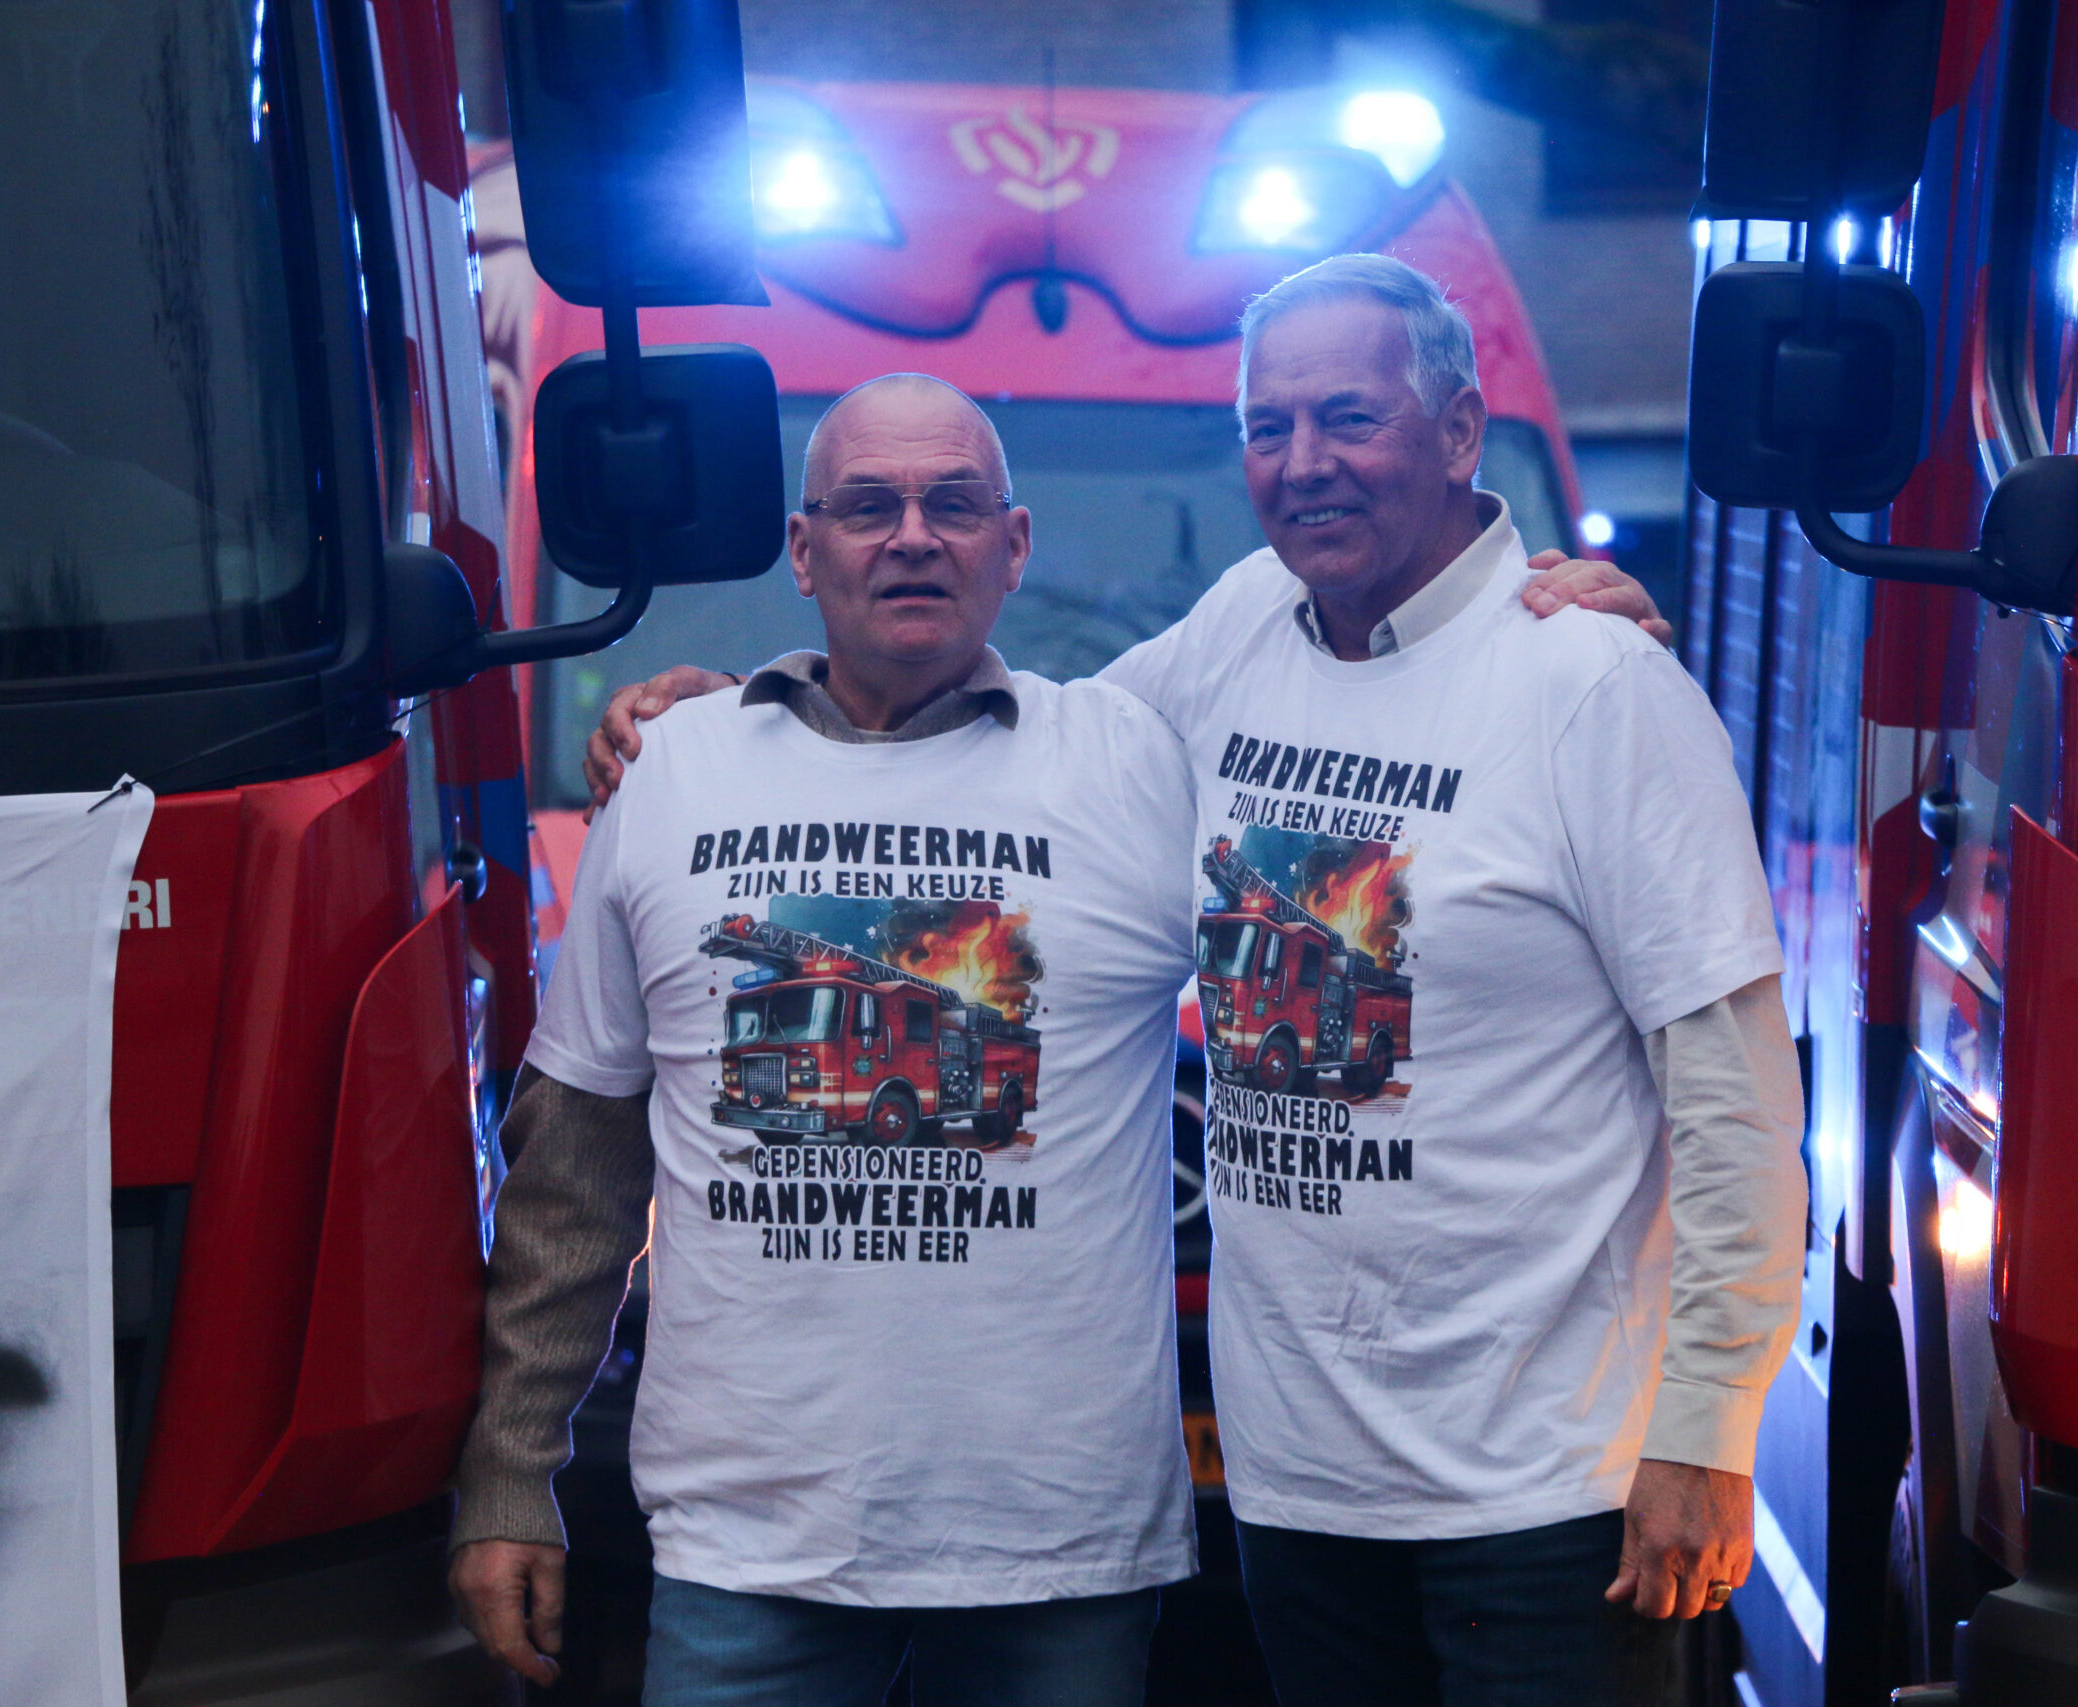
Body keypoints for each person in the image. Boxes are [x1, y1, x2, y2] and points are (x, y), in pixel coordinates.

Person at [587, 255, 1808, 1707]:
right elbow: (995, 759)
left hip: (1549, 1484)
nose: (1304, 463)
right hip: (1304, 1482)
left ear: (1461, 431)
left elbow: (1735, 1095)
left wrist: (1707, 1430)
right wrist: (746, 728)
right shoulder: (1239, 630)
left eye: (1349, 418)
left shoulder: (1594, 687)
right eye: (1267, 427)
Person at [448, 373, 1207, 1706]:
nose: (912, 536)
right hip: (747, 1549)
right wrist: (512, 1471)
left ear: (1013, 545)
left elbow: (1355, 717)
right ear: (803, 553)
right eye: (868, 507)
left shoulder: (1141, 764)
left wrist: (1538, 619)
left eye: (952, 504)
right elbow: (575, 1166)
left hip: (1058, 1550)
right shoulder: (676, 772)